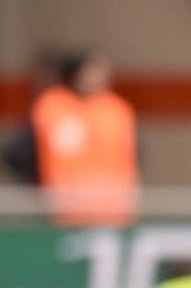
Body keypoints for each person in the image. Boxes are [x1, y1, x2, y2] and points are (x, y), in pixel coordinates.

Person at [31, 51, 139, 228]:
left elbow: (132, 156)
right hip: (66, 211)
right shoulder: (52, 106)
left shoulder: (117, 109)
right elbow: (23, 152)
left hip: (113, 211)